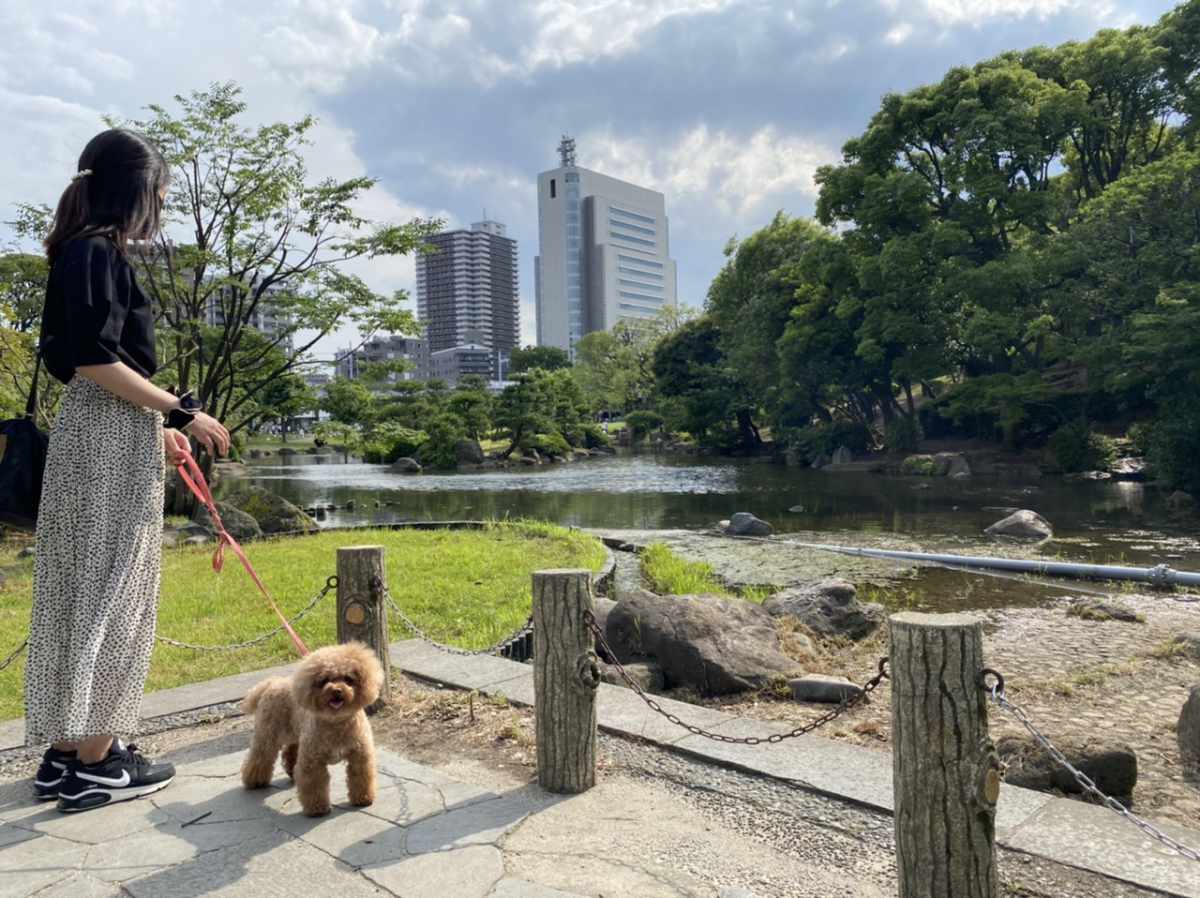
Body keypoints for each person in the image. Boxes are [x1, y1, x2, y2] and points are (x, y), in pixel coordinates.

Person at [25, 129, 230, 813]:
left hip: (99, 427)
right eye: (160, 194)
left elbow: (97, 367)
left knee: (82, 586)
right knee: (118, 590)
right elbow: (94, 359)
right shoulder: (95, 253)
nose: (161, 208)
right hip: (104, 429)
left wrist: (155, 427)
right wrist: (181, 415)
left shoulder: (79, 250)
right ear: (134, 190)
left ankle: (66, 753)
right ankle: (98, 762)